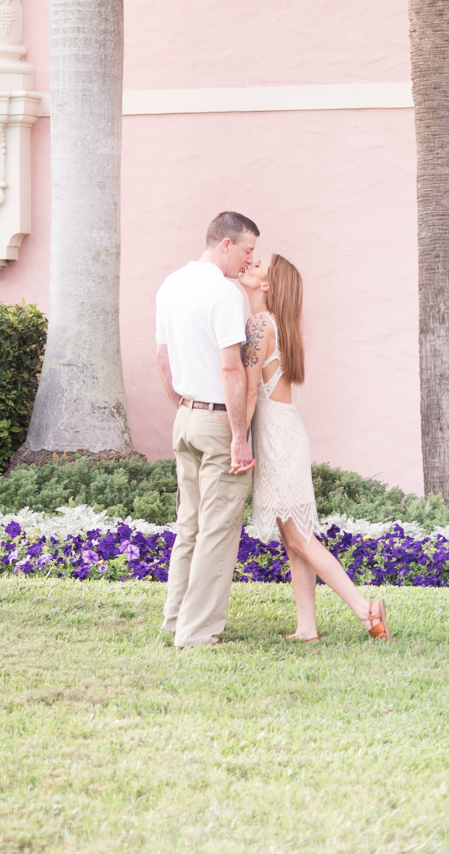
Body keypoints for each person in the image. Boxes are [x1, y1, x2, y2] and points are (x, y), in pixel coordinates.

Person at [242, 253, 389, 642]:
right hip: (287, 435)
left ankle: (365, 610)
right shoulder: (279, 326)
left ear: (268, 285)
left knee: (301, 539)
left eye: (259, 265)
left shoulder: (260, 324)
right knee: (295, 541)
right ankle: (306, 628)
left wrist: (236, 437)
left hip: (278, 441)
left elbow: (247, 388)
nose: (250, 264)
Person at [154, 209, 259, 648]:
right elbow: (231, 370)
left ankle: (176, 620)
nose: (250, 263)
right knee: (218, 527)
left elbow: (161, 358)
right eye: (248, 251)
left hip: (186, 418)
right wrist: (239, 435)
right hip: (217, 420)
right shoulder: (225, 294)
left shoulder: (171, 284)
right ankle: (197, 633)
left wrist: (182, 404)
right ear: (226, 244)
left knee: (189, 526)